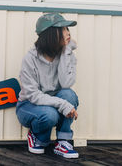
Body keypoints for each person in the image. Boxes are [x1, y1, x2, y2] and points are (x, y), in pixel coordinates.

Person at [16, 13, 79, 159]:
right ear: (51, 34)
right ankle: (38, 137)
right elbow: (33, 95)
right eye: (63, 29)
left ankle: (63, 141)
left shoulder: (67, 54)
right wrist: (62, 104)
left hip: (54, 103)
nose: (68, 33)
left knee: (69, 94)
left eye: (67, 29)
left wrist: (66, 52)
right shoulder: (30, 59)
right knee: (49, 114)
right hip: (29, 105)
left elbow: (66, 83)